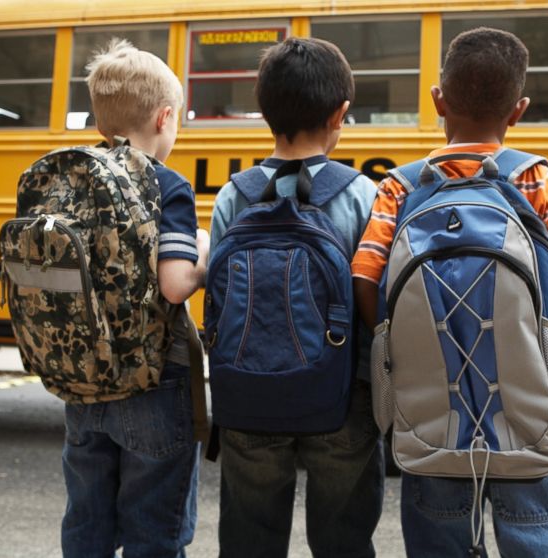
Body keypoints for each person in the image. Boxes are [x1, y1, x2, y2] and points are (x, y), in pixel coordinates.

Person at [352, 28, 548, 556]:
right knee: (539, 541)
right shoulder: (537, 181)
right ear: (519, 110)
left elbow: (366, 280)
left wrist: (404, 369)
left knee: (439, 543)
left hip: (430, 418)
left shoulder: (399, 187)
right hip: (533, 411)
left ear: (437, 100)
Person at [208, 37, 383, 558]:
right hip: (343, 398)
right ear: (341, 114)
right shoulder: (361, 194)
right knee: (344, 537)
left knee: (249, 537)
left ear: (263, 113)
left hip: (248, 394)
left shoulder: (233, 196)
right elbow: (372, 300)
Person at [60, 39, 208, 557]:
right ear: (165, 118)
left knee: (87, 524)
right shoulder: (167, 185)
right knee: (152, 531)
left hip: (80, 379)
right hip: (152, 383)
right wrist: (204, 258)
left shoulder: (67, 181)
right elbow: (173, 284)